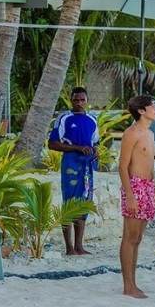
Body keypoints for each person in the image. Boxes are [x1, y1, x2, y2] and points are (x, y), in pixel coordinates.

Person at [47, 86, 99, 255]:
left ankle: (79, 246)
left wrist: (95, 151)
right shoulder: (64, 118)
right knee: (69, 203)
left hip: (87, 167)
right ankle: (69, 247)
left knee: (84, 202)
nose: (79, 103)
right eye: (76, 100)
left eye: (82, 100)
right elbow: (52, 143)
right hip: (70, 165)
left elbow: (94, 142)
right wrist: (77, 148)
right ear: (71, 100)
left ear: (87, 101)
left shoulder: (92, 120)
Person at [118, 95, 155, 298]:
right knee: (130, 237)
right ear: (141, 110)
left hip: (148, 187)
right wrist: (130, 196)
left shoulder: (150, 134)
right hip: (134, 186)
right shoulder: (131, 133)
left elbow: (150, 165)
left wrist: (154, 191)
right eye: (153, 106)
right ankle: (128, 286)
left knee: (138, 238)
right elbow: (122, 166)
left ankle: (133, 282)